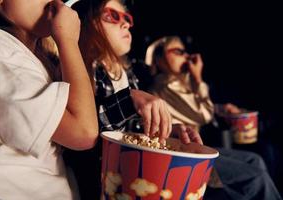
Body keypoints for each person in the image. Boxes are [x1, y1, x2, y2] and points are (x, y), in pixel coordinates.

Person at [65, 1, 203, 199]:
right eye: (113, 15)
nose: (126, 24)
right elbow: (87, 131)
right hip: (108, 179)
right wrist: (128, 100)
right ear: (88, 21)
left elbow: (127, 129)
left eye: (127, 18)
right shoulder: (85, 69)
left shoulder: (129, 74)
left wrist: (168, 129)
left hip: (139, 169)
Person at [0, 0, 98, 199]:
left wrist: (129, 98)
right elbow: (84, 132)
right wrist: (68, 41)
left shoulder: (34, 58)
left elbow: (76, 109)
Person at [145, 35, 282, 200]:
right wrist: (198, 79)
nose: (186, 56)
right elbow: (203, 115)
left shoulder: (179, 84)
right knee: (256, 178)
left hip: (195, 147)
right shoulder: (164, 85)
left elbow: (194, 108)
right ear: (159, 60)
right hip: (182, 154)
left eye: (185, 51)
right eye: (178, 51)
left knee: (256, 160)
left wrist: (221, 107)